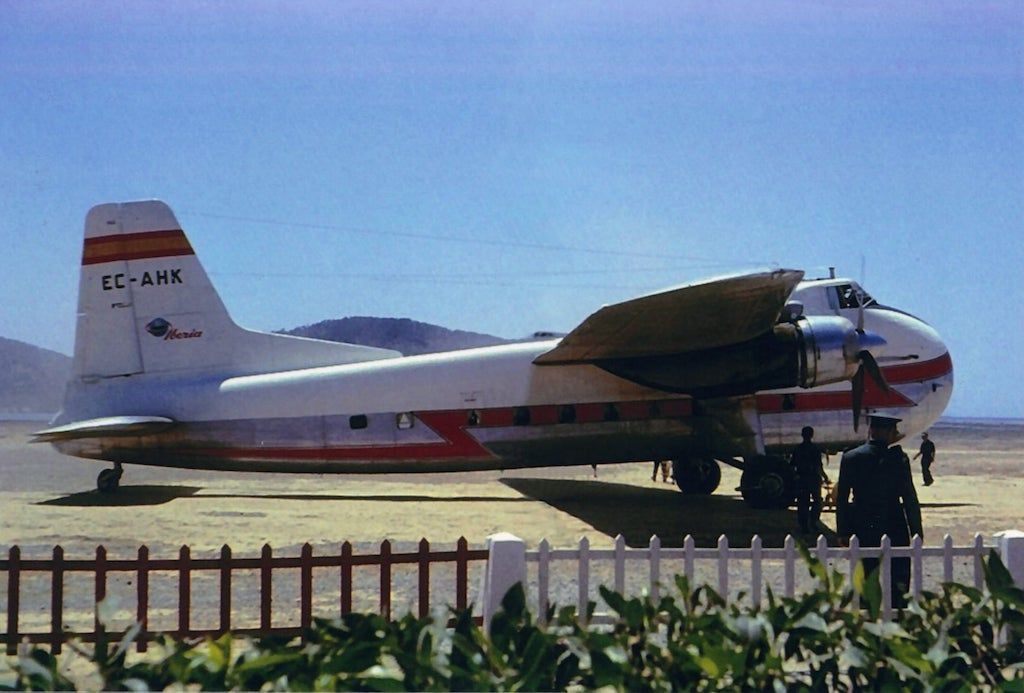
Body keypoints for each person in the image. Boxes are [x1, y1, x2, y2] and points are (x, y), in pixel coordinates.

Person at [836, 415, 923, 608]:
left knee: (865, 576)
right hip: (894, 523)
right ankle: (897, 614)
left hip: (863, 523)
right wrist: (917, 531)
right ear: (888, 432)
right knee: (898, 577)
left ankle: (866, 615)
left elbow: (841, 498)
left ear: (871, 430)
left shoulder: (851, 457)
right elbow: (909, 498)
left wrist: (843, 530)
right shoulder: (898, 459)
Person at [790, 426, 828, 534]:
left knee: (802, 503)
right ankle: (813, 522)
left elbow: (792, 464)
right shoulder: (815, 449)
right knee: (817, 501)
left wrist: (794, 477)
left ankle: (804, 525)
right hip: (813, 479)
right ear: (812, 435)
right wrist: (824, 476)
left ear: (802, 435)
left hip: (802, 479)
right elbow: (818, 466)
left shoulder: (798, 449)